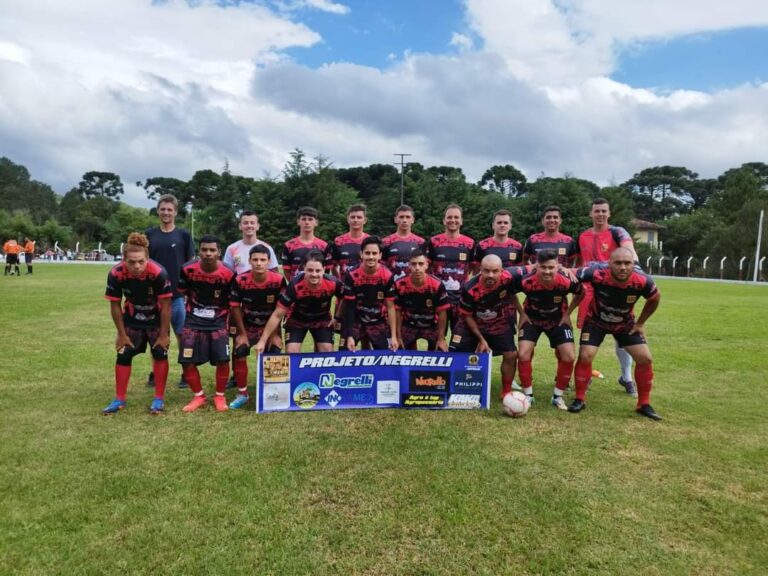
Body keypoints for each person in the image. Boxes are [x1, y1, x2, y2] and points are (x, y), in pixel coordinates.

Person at [567, 247, 662, 420]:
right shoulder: (596, 273)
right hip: (596, 321)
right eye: (618, 263)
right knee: (586, 355)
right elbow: (570, 273)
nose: (623, 267)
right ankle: (579, 399)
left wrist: (640, 323)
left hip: (624, 324)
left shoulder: (643, 281)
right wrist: (560, 269)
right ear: (609, 263)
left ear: (633, 264)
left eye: (627, 263)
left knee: (645, 358)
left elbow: (655, 298)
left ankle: (643, 404)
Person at [102, 233, 172, 414]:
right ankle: (119, 399)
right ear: (124, 259)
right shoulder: (116, 273)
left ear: (147, 258)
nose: (137, 266)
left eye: (141, 261)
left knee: (159, 353)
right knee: (123, 355)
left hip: (155, 319)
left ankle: (158, 399)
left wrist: (164, 335)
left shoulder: (159, 273)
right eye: (131, 262)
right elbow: (115, 305)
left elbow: (166, 306)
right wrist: (121, 334)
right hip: (132, 319)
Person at [576, 198, 639, 396]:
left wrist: (633, 262)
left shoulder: (618, 232)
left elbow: (630, 252)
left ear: (609, 213)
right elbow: (579, 263)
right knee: (588, 336)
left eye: (604, 211)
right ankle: (584, 378)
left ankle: (626, 377)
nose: (600, 214)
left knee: (622, 336)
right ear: (591, 213)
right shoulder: (583, 236)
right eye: (597, 211)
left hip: (616, 292)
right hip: (589, 292)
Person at [512, 250, 583, 409]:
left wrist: (567, 314)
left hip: (557, 319)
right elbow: (510, 293)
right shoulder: (526, 281)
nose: (547, 271)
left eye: (551, 267)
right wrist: (521, 313)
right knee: (523, 353)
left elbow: (580, 293)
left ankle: (557, 397)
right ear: (537, 266)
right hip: (532, 319)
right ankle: (528, 395)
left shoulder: (566, 281)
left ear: (558, 266)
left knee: (569, 355)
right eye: (543, 267)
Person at [177, 235, 236, 413]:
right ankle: (198, 396)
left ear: (219, 252)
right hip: (193, 320)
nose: (208, 253)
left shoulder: (229, 273)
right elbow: (182, 292)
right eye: (204, 250)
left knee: (223, 359)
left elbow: (233, 302)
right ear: (199, 251)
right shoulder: (187, 269)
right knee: (186, 360)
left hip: (218, 321)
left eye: (212, 250)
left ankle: (220, 395)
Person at [222, 210, 279, 388]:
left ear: (257, 225)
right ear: (240, 226)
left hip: (265, 305)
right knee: (239, 343)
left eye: (252, 222)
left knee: (275, 345)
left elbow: (275, 275)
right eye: (245, 222)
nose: (249, 226)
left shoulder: (267, 248)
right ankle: (238, 381)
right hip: (242, 300)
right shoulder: (232, 248)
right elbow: (228, 275)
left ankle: (272, 384)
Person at [449, 255, 518, 399]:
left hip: (497, 321)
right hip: (471, 322)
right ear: (480, 270)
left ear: (501, 271)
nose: (490, 275)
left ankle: (506, 391)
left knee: (511, 354)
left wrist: (562, 268)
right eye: (486, 271)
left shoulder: (510, 276)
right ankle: (458, 385)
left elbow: (534, 267)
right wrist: (481, 339)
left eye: (495, 271)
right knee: (456, 351)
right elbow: (467, 315)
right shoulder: (469, 288)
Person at [145, 194, 195, 388]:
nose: (166, 213)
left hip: (177, 296)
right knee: (156, 336)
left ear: (175, 212)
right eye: (162, 209)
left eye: (169, 209)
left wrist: (189, 292)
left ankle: (185, 372)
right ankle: (155, 372)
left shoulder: (183, 235)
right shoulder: (149, 234)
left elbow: (191, 264)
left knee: (182, 335)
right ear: (158, 210)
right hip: (154, 297)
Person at [228, 245, 286, 409]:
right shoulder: (240, 280)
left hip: (269, 325)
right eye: (255, 260)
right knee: (239, 351)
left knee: (274, 353)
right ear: (249, 261)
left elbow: (279, 310)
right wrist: (242, 333)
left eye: (262, 260)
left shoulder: (278, 280)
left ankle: (272, 393)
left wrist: (273, 334)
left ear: (269, 261)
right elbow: (235, 307)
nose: (259, 263)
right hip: (247, 324)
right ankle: (243, 393)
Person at [255, 251, 342, 354]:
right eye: (310, 270)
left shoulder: (334, 283)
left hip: (322, 319)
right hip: (297, 320)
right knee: (292, 352)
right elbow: (277, 315)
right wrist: (263, 341)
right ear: (304, 268)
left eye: (318, 270)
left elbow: (345, 298)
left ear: (324, 269)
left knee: (327, 352)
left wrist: (337, 317)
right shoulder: (294, 286)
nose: (314, 274)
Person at [341, 236, 399, 351]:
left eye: (374, 253)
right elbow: (349, 308)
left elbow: (391, 307)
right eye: (367, 253)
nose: (371, 257)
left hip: (378, 321)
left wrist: (393, 336)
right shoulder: (351, 275)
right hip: (356, 321)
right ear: (361, 254)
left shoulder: (387, 275)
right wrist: (349, 336)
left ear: (380, 255)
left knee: (385, 357)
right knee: (344, 353)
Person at [425, 204, 477, 332]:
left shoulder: (470, 243)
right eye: (449, 217)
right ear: (444, 221)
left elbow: (473, 268)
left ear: (461, 220)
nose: (452, 220)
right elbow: (426, 267)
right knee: (436, 339)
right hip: (437, 299)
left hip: (460, 300)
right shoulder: (434, 241)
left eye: (456, 217)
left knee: (459, 340)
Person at [394, 249, 449, 351]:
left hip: (431, 325)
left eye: (420, 264)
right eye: (414, 264)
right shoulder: (400, 284)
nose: (417, 268)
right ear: (409, 265)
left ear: (426, 265)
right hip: (409, 326)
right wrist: (398, 337)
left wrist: (441, 338)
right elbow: (398, 312)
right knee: (400, 351)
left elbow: (442, 313)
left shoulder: (437, 285)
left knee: (439, 352)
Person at [281, 207, 332, 282]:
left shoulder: (324, 246)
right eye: (304, 219)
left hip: (317, 289)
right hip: (297, 290)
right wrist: (294, 284)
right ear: (298, 221)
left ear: (316, 222)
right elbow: (286, 270)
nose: (307, 222)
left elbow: (326, 270)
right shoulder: (289, 245)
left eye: (310, 219)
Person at [382, 205, 425, 281]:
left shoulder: (420, 242)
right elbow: (381, 267)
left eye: (408, 217)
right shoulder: (386, 241)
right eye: (401, 217)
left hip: (413, 286)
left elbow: (424, 268)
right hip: (392, 286)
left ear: (413, 220)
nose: (404, 220)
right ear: (395, 219)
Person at [332, 204, 369, 279]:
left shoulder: (370, 241)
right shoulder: (338, 241)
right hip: (345, 286)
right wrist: (339, 280)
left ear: (365, 220)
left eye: (359, 217)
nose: (355, 220)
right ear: (348, 219)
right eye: (352, 217)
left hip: (366, 285)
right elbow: (333, 265)